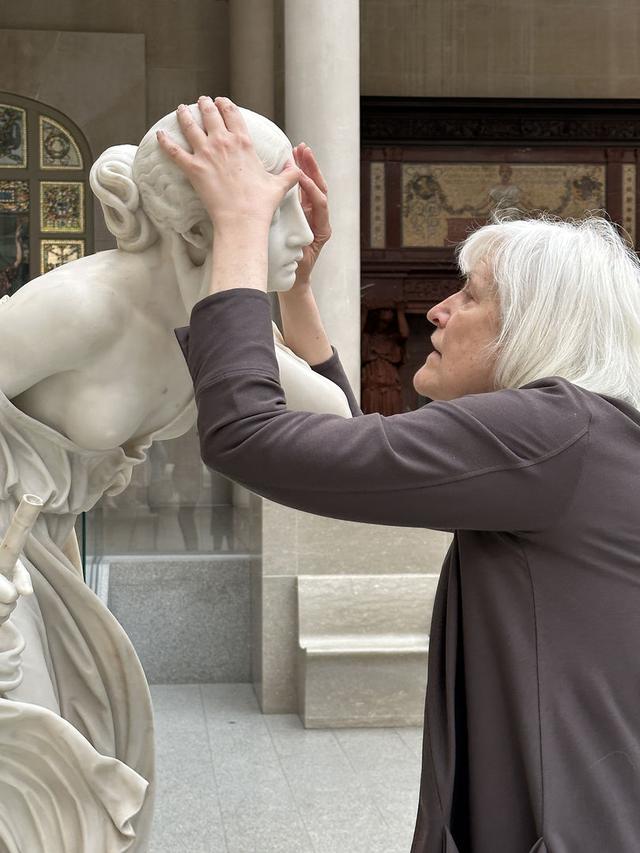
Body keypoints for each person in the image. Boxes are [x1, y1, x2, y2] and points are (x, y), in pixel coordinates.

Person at [160, 95, 640, 853]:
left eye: (470, 293)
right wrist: (296, 289)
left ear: (539, 325)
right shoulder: (575, 440)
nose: (437, 311)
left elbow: (248, 436)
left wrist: (243, 232)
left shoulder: (553, 431)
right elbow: (351, 451)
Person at [0, 103, 349, 852]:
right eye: (277, 207)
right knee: (39, 789)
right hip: (6, 561)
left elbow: (338, 431)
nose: (301, 231)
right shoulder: (82, 306)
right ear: (201, 228)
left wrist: (296, 292)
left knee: (85, 778)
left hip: (50, 562)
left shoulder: (217, 324)